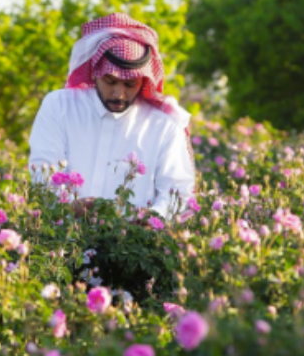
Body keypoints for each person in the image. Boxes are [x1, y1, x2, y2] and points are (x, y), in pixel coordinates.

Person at [28, 13, 196, 220]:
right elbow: (43, 171)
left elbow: (177, 191)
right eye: (110, 81)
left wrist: (149, 219)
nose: (119, 94)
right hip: (63, 241)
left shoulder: (164, 125)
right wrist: (69, 207)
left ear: (143, 81)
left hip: (134, 247)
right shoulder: (59, 106)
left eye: (129, 84)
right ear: (95, 72)